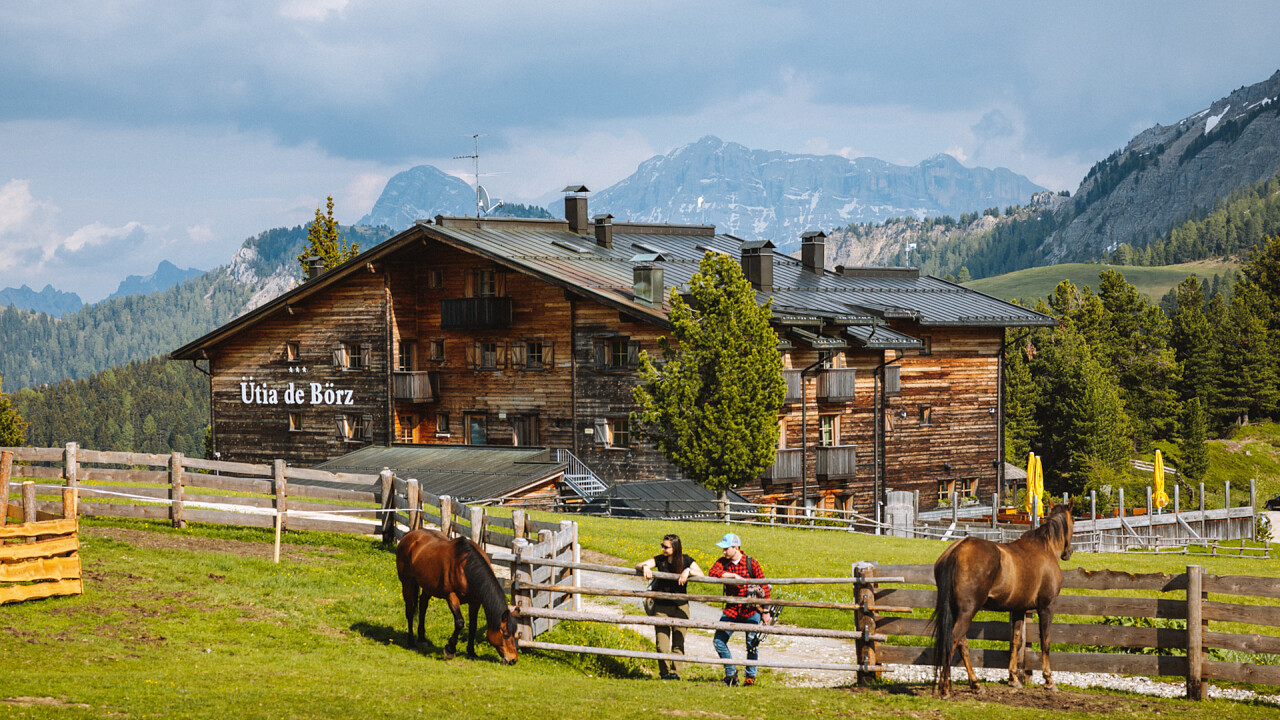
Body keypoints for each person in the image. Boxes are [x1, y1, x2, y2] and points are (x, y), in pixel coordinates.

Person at [707, 532, 770, 687]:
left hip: (751, 610)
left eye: (726, 548)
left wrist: (766, 611)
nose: (723, 551)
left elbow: (764, 586)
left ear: (736, 548)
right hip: (732, 609)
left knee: (751, 644)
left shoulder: (751, 563)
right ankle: (731, 674)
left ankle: (750, 677)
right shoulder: (723, 562)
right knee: (719, 641)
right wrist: (733, 576)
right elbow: (712, 573)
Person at [636, 533, 703, 680]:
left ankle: (675, 673)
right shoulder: (660, 559)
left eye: (666, 547)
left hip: (680, 606)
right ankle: (664, 673)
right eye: (662, 546)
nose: (663, 549)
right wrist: (646, 567)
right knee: (662, 644)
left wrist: (688, 571)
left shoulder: (686, 560)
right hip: (661, 606)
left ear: (675, 548)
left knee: (678, 642)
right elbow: (638, 565)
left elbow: (701, 573)